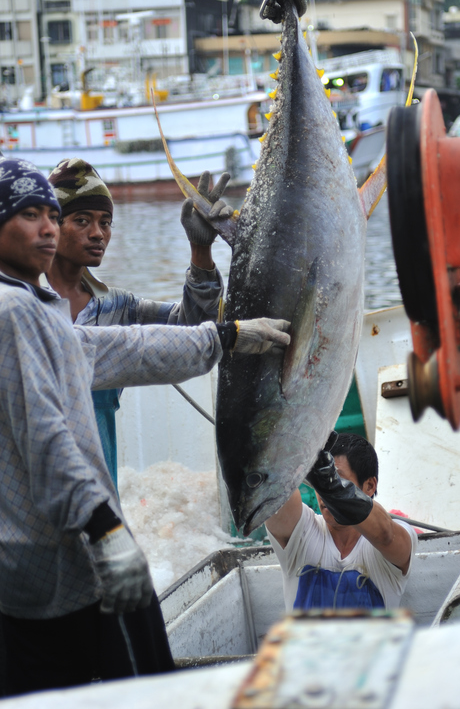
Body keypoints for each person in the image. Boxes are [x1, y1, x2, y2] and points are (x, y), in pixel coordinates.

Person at [0, 156, 290, 696]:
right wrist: (106, 532)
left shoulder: (66, 307)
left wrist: (217, 317)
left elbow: (133, 343)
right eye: (41, 216)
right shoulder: (15, 313)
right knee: (139, 688)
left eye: (48, 213)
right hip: (72, 546)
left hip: (46, 547)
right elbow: (49, 442)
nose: (51, 228)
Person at [45, 157, 229, 488]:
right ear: (51, 225)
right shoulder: (20, 302)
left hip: (98, 489)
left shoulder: (117, 307)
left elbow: (191, 333)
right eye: (82, 220)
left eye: (106, 222)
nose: (98, 233)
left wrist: (200, 250)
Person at [265, 433, 417, 610]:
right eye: (320, 483)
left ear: (369, 486)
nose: (324, 493)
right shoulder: (303, 529)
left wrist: (336, 491)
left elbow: (386, 536)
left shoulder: (396, 536)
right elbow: (273, 493)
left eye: (336, 479)